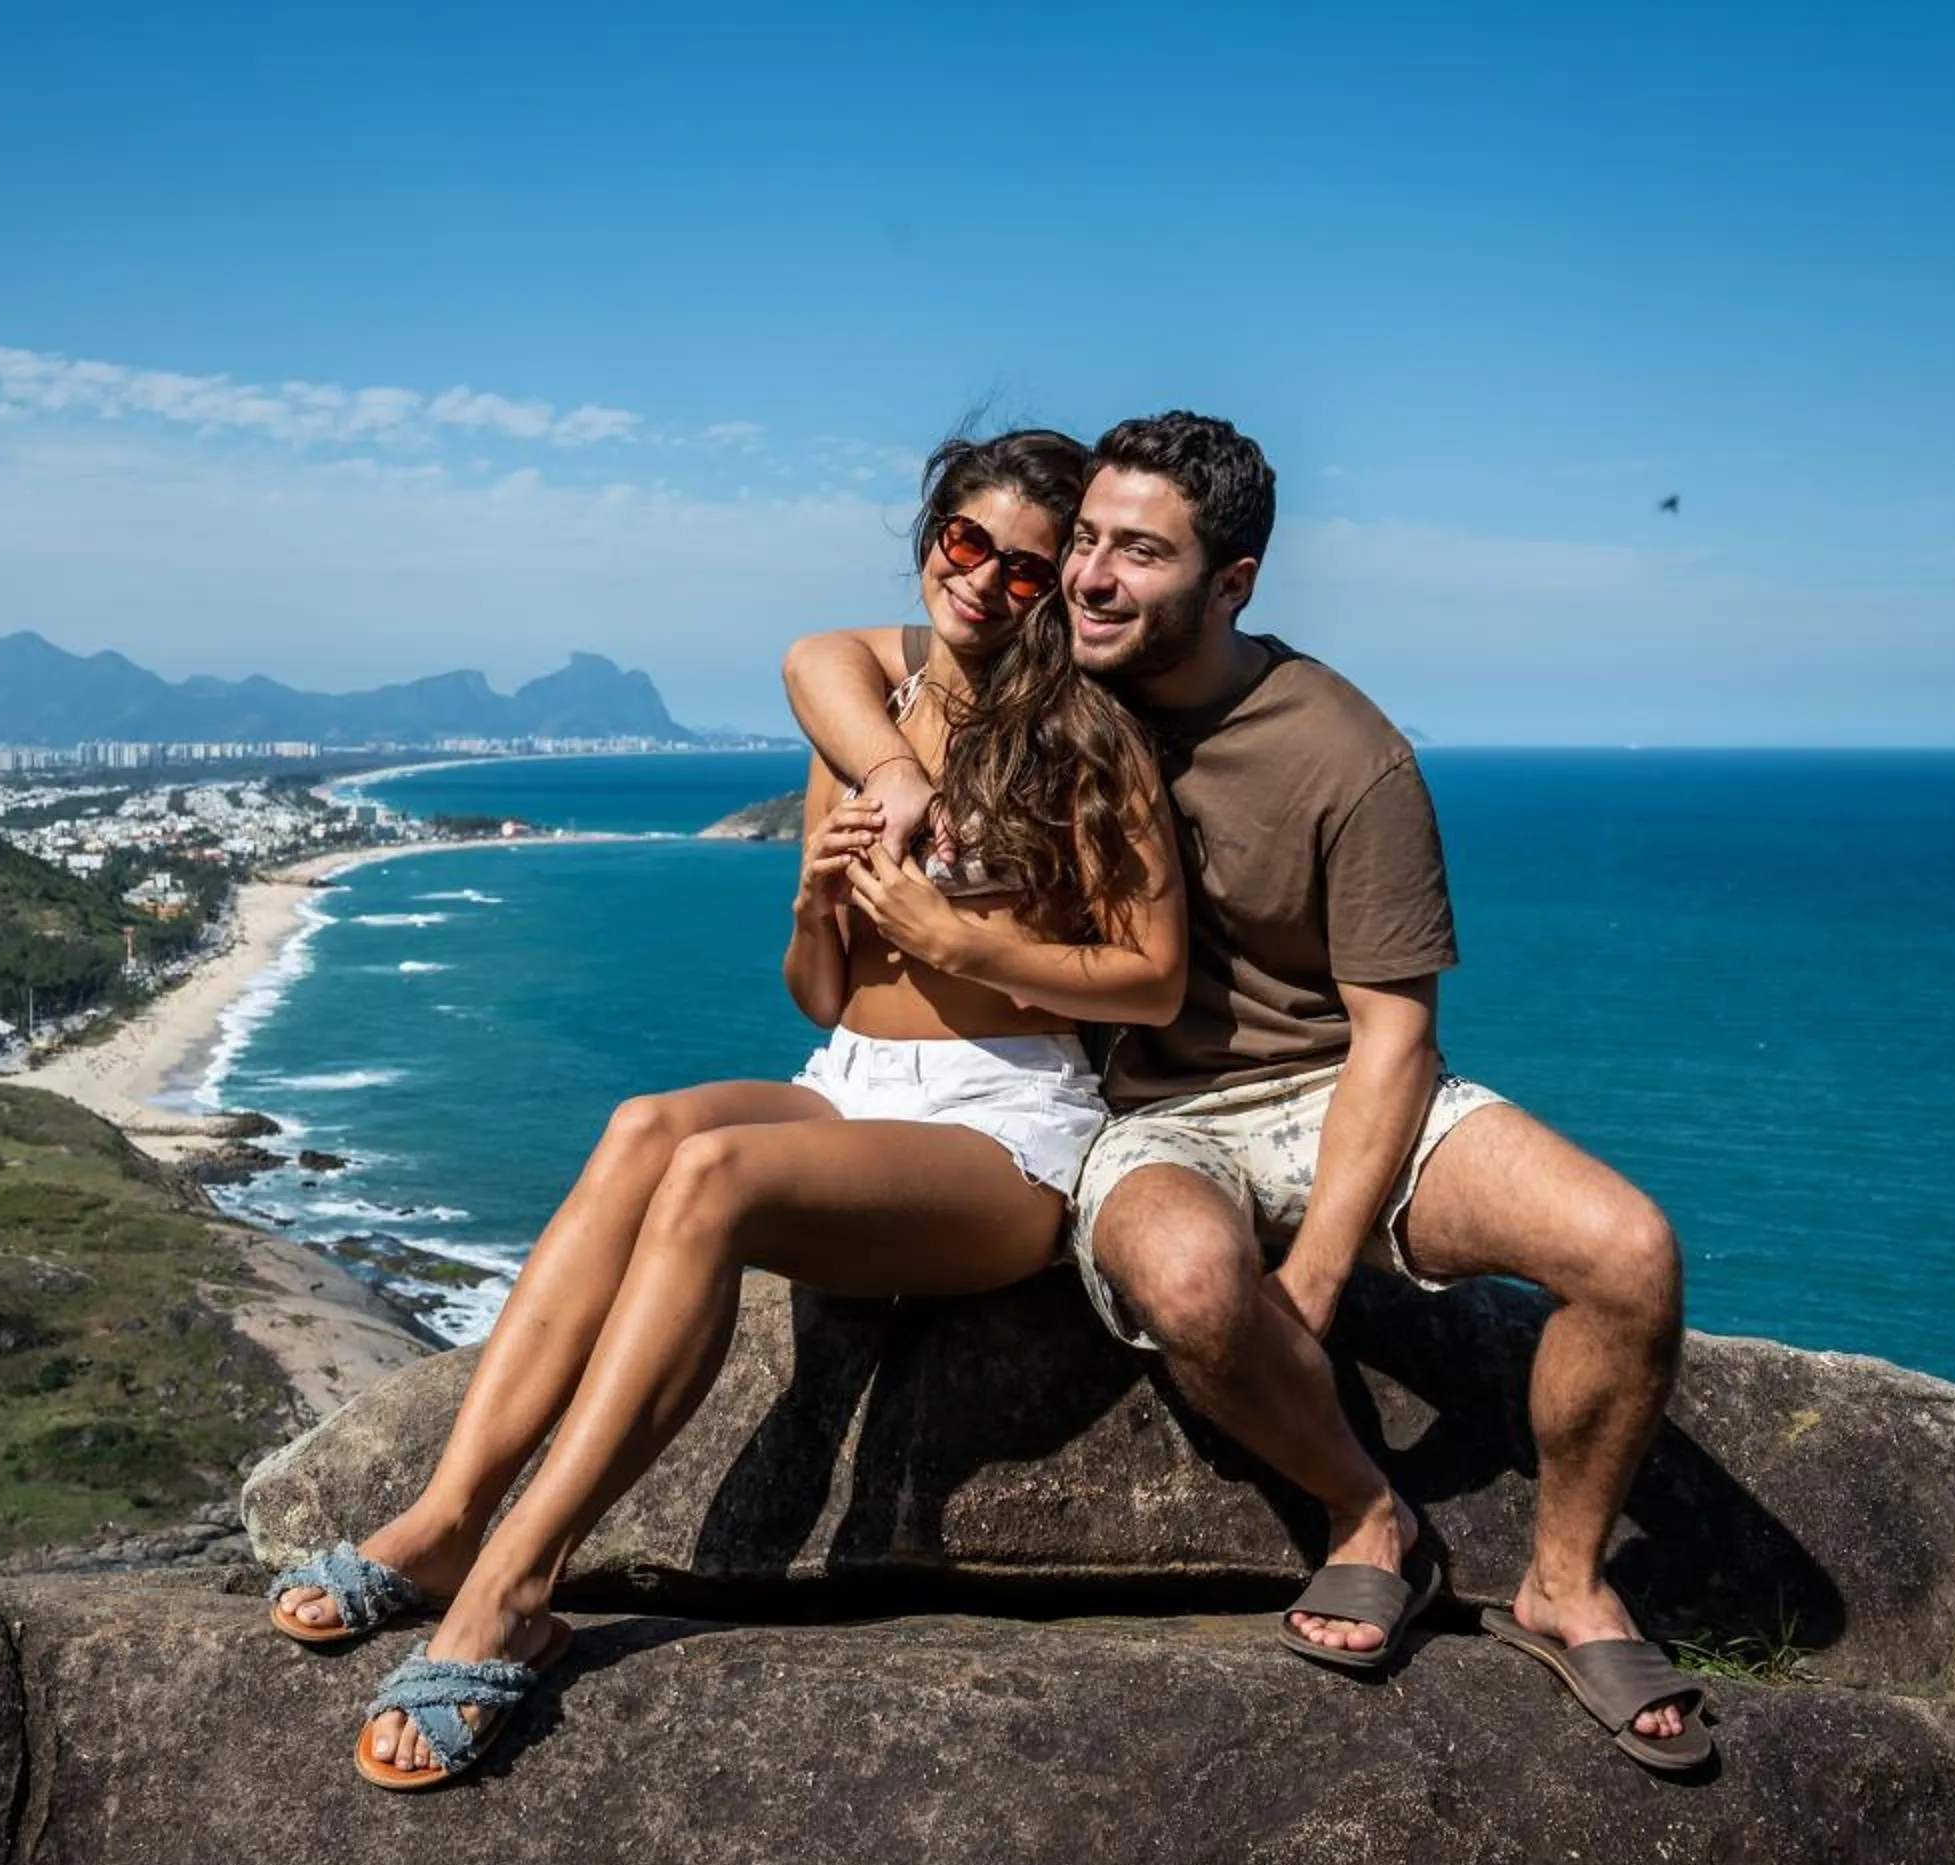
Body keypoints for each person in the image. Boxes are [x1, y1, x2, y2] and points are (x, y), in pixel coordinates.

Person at [784, 411, 1710, 1773]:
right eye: (1085, 541)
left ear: (1234, 583)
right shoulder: (1048, 687)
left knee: (1630, 1252)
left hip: (1341, 1087)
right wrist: (894, 777)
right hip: (1151, 1118)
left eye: (1138, 554)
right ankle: (1366, 1515)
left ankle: (1565, 1583)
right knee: (1194, 1280)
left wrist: (1325, 1268)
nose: (1091, 577)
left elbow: (1396, 1035)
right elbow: (832, 658)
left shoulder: (1347, 752)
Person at [271, 427, 1189, 1791]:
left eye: (1026, 571)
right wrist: (822, 899)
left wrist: (962, 939)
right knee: (650, 1127)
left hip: (1005, 1127)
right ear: (932, 532)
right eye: (966, 544)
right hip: (854, 1089)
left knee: (712, 1186)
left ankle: (517, 1586)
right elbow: (822, 995)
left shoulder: (1089, 744)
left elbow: (1157, 979)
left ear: (1057, 595)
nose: (985, 582)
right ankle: (449, 1516)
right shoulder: (861, 725)